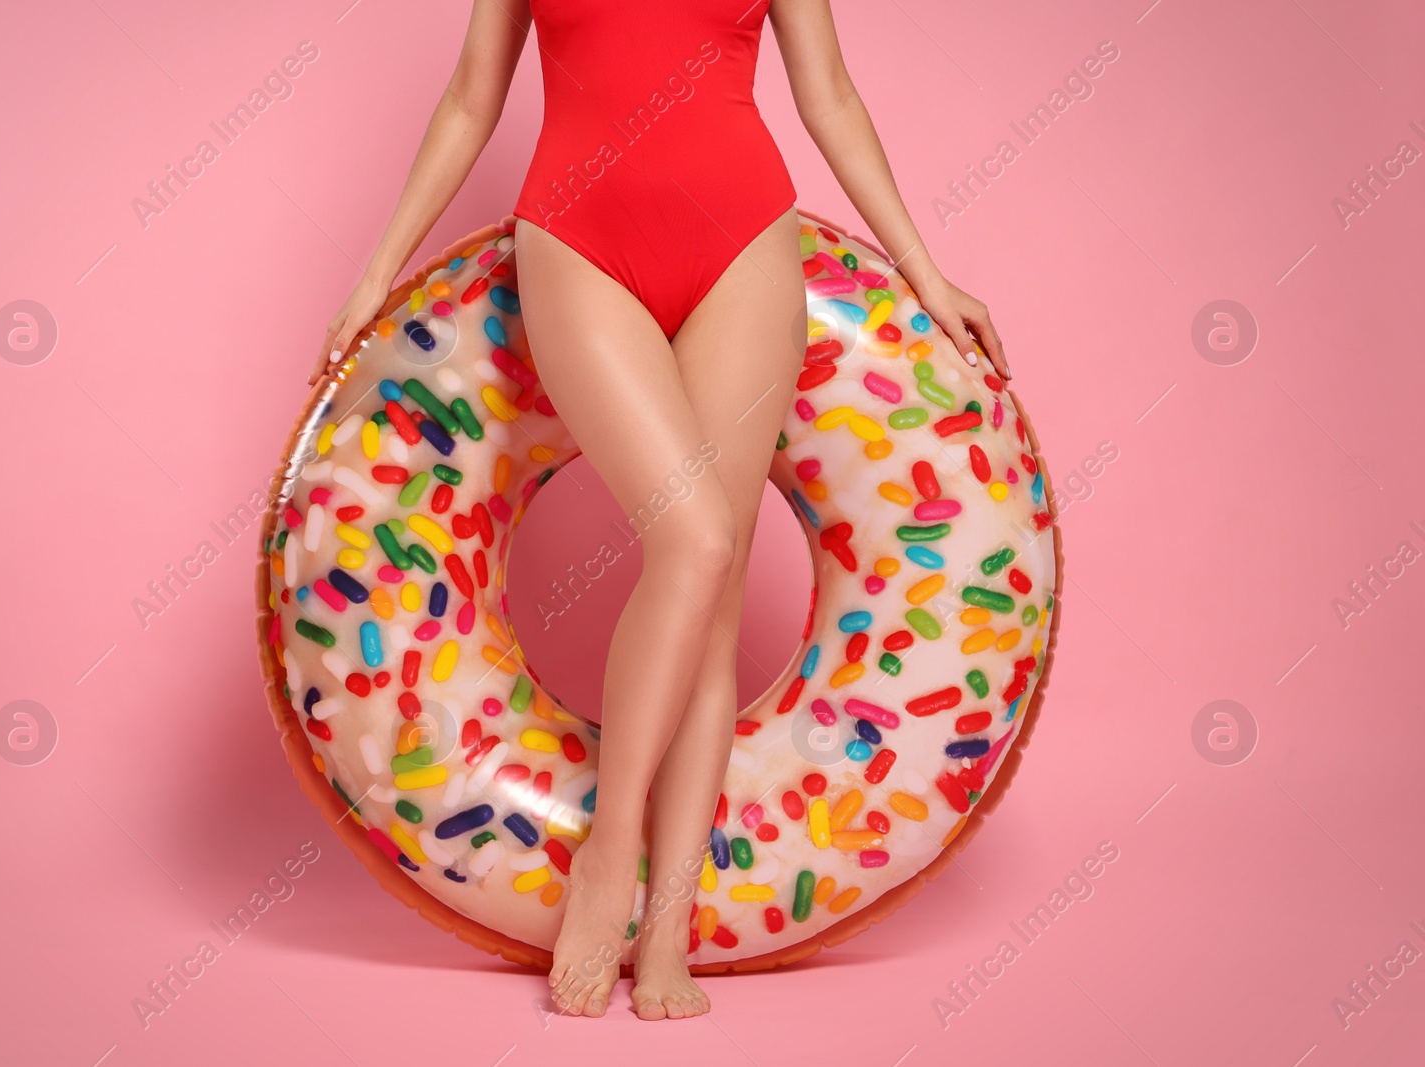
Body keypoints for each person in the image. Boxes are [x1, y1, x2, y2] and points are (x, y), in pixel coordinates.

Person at [312, 0, 1007, 1021]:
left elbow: (831, 96)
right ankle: (609, 858)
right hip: (578, 237)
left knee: (714, 591)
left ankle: (668, 922)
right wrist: (374, 272)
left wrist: (923, 267)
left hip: (742, 244)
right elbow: (472, 97)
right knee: (694, 538)